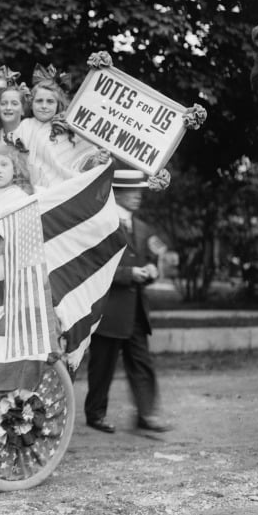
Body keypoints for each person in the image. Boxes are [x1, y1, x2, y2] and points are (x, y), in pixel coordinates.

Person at [85, 170, 171, 434]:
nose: (137, 197)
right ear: (117, 193)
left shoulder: (143, 228)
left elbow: (152, 257)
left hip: (135, 311)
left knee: (141, 364)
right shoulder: (102, 225)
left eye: (139, 192)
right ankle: (95, 414)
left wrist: (151, 272)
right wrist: (128, 274)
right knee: (102, 366)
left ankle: (147, 414)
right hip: (109, 309)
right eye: (130, 192)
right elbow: (94, 267)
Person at [9, 79, 108, 188]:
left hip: (66, 190)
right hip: (33, 191)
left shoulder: (68, 127)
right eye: (39, 101)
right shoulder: (25, 126)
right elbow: (14, 159)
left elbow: (84, 158)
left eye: (50, 101)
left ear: (58, 104)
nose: (44, 106)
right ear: (31, 103)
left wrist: (97, 159)